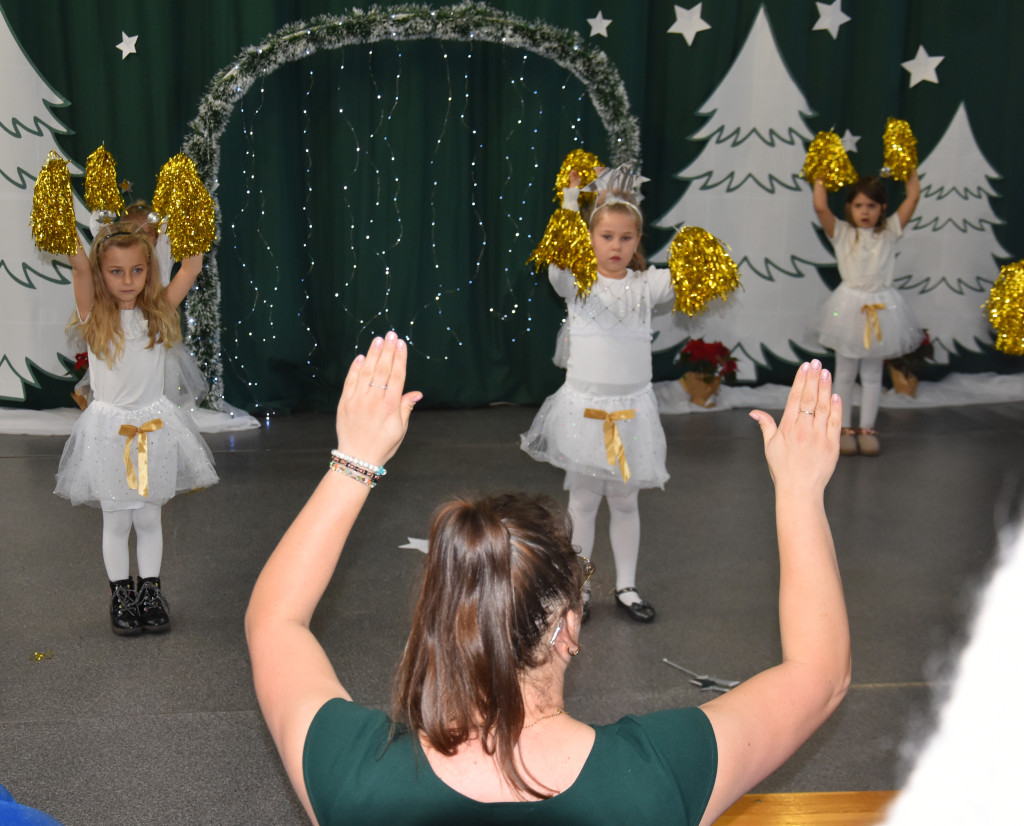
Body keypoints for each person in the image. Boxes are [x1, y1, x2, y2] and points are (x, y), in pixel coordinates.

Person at [246, 333, 850, 825]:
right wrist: (799, 491)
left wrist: (355, 459)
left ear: (439, 616)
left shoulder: (356, 777)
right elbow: (819, 676)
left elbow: (274, 620)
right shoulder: (653, 778)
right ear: (567, 625)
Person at [520, 166, 672, 622]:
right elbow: (557, 258)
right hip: (586, 412)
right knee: (583, 502)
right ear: (590, 238)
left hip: (631, 412)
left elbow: (693, 278)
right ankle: (578, 588)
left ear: (637, 242)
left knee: (625, 501)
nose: (616, 246)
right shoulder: (576, 283)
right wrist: (571, 200)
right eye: (606, 236)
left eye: (626, 238)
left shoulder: (648, 286)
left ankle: (626, 585)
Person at [53, 221, 219, 635]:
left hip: (154, 428)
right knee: (116, 520)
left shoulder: (157, 312)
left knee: (147, 519)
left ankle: (150, 591)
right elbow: (78, 268)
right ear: (101, 273)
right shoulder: (93, 314)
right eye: (115, 271)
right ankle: (120, 595)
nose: (127, 280)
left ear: (149, 270)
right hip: (110, 434)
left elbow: (191, 267)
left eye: (136, 270)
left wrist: (189, 217)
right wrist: (56, 213)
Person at [812, 171, 921, 456]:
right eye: (859, 205)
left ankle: (867, 428)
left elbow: (913, 197)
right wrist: (821, 176)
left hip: (882, 308)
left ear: (882, 209)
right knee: (845, 373)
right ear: (850, 208)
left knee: (873, 374)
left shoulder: (890, 231)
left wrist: (909, 170)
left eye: (871, 206)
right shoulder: (842, 233)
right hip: (849, 308)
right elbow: (821, 207)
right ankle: (843, 428)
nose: (865, 211)